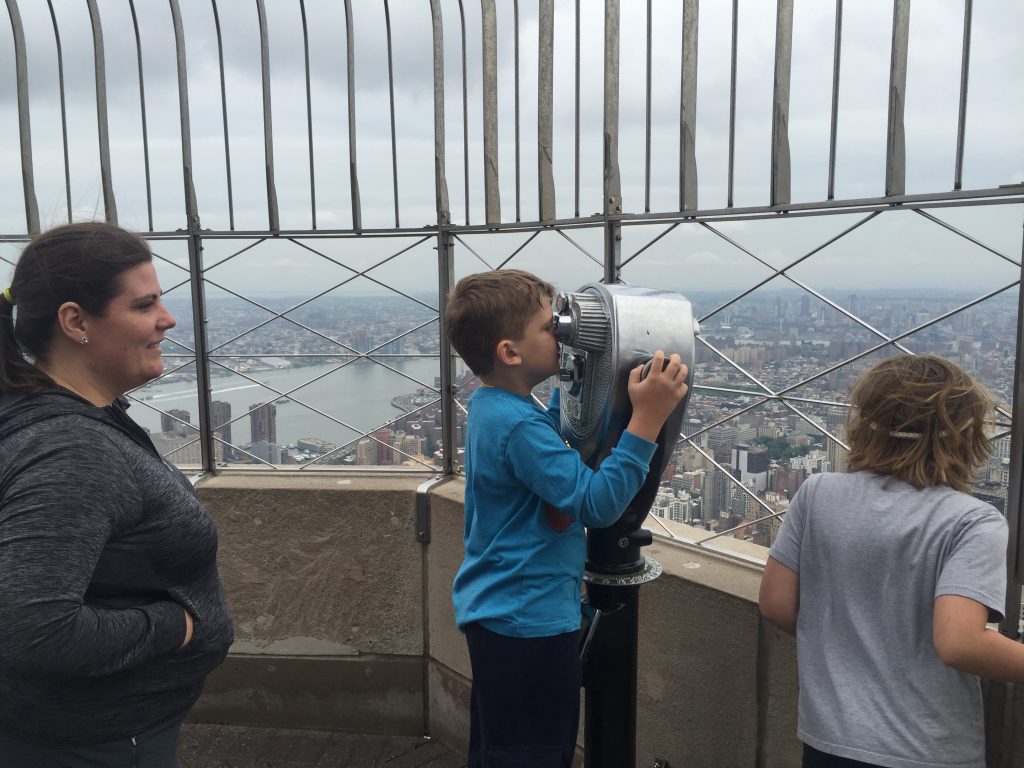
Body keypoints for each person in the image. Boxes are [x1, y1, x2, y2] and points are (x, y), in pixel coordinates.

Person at [0, 222, 234, 767]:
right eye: (144, 304)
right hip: (97, 742)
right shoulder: (72, 451)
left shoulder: (56, 418)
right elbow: (35, 631)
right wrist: (173, 626)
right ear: (75, 321)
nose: (167, 319)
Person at [445, 268, 688, 767]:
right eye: (547, 325)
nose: (561, 329)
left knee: (500, 747)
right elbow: (596, 503)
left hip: (502, 616)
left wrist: (576, 383)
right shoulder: (516, 428)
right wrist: (646, 420)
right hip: (527, 625)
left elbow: (552, 444)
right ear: (510, 353)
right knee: (532, 753)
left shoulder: (495, 407)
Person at [759, 354, 1024, 768]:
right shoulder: (972, 520)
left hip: (829, 739)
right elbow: (960, 643)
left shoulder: (817, 493)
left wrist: (842, 641)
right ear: (964, 436)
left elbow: (776, 605)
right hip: (925, 749)